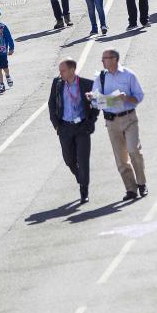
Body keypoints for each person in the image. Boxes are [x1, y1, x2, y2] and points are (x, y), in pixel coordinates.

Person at [89, 49, 147, 201]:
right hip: (111, 121)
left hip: (129, 118)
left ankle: (141, 183)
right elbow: (95, 101)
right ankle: (131, 189)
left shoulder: (129, 75)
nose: (103, 62)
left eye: (105, 58)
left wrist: (126, 98)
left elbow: (139, 96)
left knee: (134, 150)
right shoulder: (101, 77)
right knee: (121, 158)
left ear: (114, 59)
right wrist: (93, 98)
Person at [49, 58, 100, 204]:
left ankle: (84, 190)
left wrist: (91, 122)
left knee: (83, 160)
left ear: (72, 70)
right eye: (60, 71)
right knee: (69, 159)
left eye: (63, 70)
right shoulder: (57, 84)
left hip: (82, 127)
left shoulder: (87, 84)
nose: (60, 73)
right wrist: (56, 124)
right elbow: (51, 103)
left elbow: (96, 104)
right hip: (65, 127)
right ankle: (80, 176)